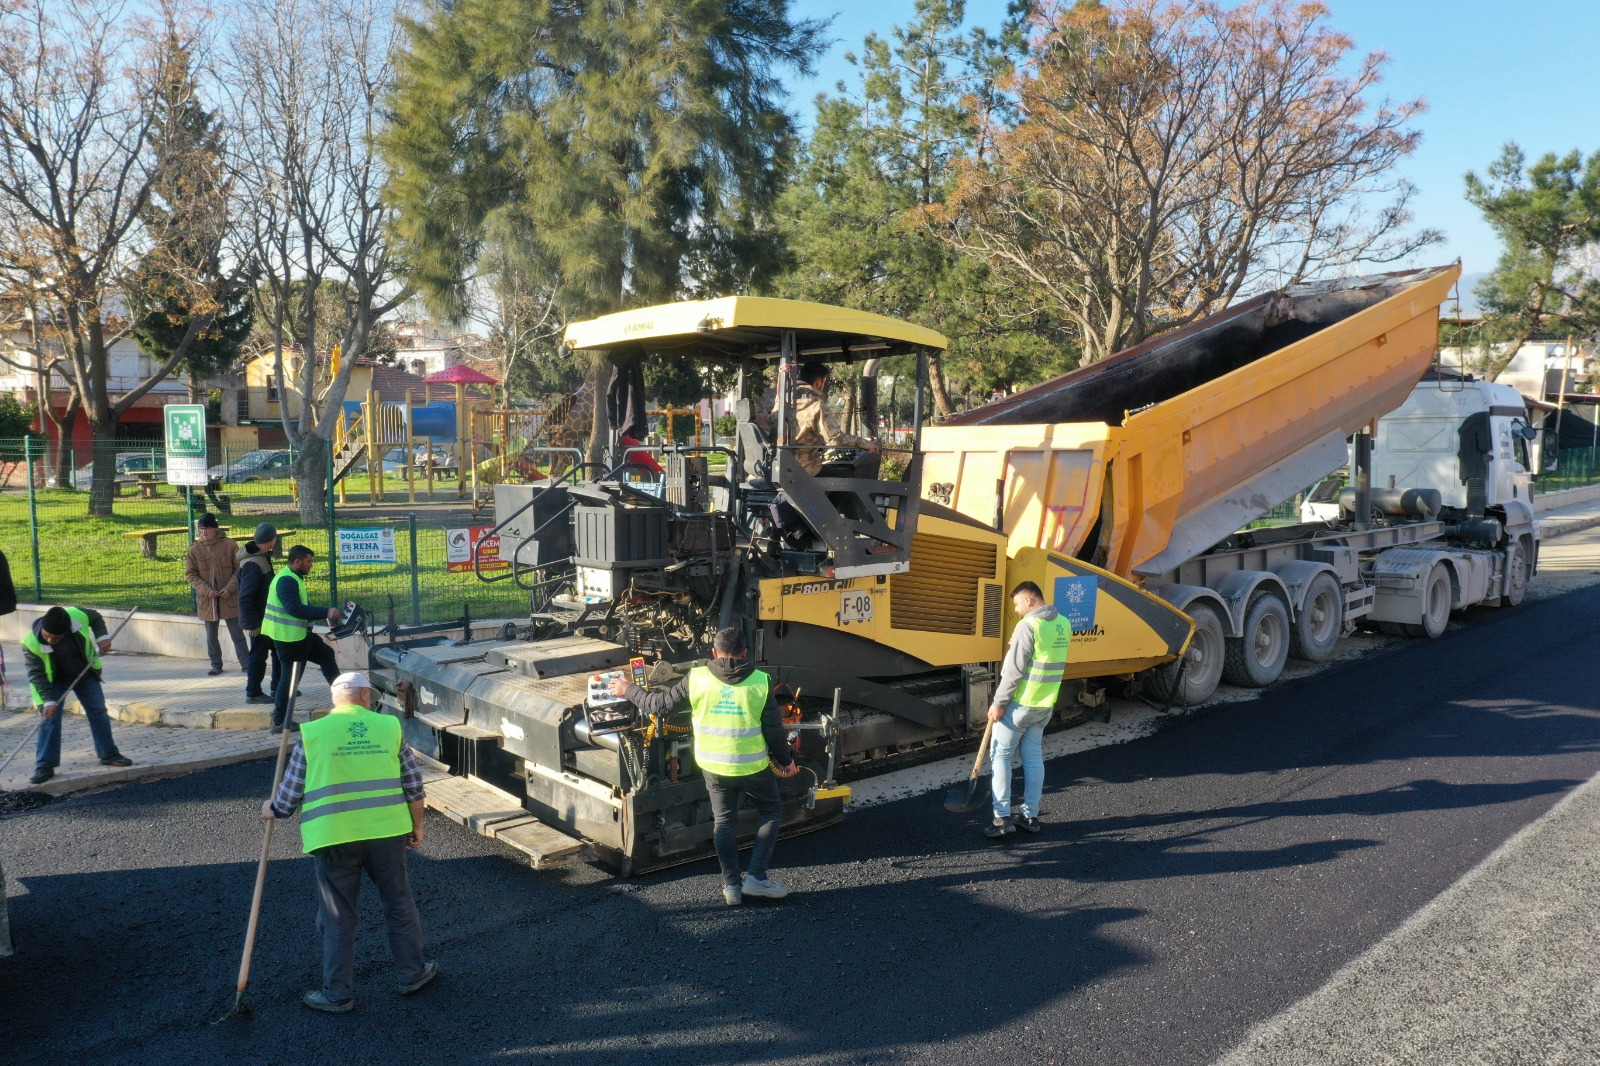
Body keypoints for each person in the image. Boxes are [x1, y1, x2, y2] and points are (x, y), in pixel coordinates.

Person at [260, 670, 437, 1013]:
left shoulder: (312, 734)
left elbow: (289, 795)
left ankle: (337, 994)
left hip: (334, 837)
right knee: (398, 903)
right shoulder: (389, 728)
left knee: (337, 913)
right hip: (386, 833)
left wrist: (272, 808)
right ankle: (411, 974)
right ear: (365, 697)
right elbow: (414, 786)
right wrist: (418, 827)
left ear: (334, 699)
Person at [608, 627, 796, 905]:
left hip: (713, 765)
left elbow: (657, 706)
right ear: (745, 653)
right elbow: (774, 730)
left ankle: (732, 886)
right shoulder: (761, 681)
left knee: (723, 821)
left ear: (714, 653)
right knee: (770, 811)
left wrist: (628, 689)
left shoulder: (696, 678)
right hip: (753, 767)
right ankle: (756, 878)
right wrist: (787, 761)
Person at [984, 581, 1071, 839]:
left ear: (1030, 600)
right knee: (1033, 757)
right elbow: (1043, 656)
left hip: (1020, 705)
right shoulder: (1062, 623)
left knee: (1000, 756)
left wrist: (999, 703)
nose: (1017, 610)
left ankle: (1001, 818)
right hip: (1044, 705)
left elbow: (1013, 673)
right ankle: (1030, 815)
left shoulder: (1028, 625)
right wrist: (1017, 644)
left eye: (1018, 604)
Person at [21, 605, 132, 785]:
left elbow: (95, 617)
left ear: (66, 631)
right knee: (50, 719)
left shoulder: (78, 617)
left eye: (55, 638)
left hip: (84, 672)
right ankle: (45, 765)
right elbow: (37, 675)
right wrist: (48, 701)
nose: (49, 640)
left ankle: (109, 754)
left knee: (98, 711)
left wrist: (103, 638)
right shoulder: (31, 643)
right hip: (52, 683)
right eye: (46, 635)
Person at [261, 545, 342, 733]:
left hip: (300, 636)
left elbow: (300, 606)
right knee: (289, 680)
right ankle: (280, 722)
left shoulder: (292, 577)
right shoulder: (286, 581)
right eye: (308, 561)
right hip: (289, 640)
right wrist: (326, 612)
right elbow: (294, 609)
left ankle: (345, 700)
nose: (311, 565)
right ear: (297, 562)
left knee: (326, 655)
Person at [787, 361, 881, 479]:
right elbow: (836, 439)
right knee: (848, 481)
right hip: (805, 469)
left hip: (783, 467)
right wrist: (864, 444)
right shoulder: (815, 404)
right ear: (819, 382)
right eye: (824, 382)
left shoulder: (782, 401)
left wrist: (816, 442)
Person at [185, 512, 248, 677]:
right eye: (201, 529)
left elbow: (239, 569)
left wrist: (229, 589)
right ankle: (216, 664)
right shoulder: (194, 549)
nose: (203, 532)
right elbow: (191, 574)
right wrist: (207, 591)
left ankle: (247, 664)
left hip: (230, 598)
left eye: (207, 529)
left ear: (215, 529)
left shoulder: (230, 545)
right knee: (211, 636)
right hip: (208, 601)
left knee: (237, 634)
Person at [237, 523, 283, 706]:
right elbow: (245, 596)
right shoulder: (253, 563)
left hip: (267, 617)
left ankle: (279, 687)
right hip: (259, 620)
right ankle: (253, 692)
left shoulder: (260, 556)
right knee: (258, 655)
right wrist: (253, 624)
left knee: (278, 652)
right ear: (272, 539)